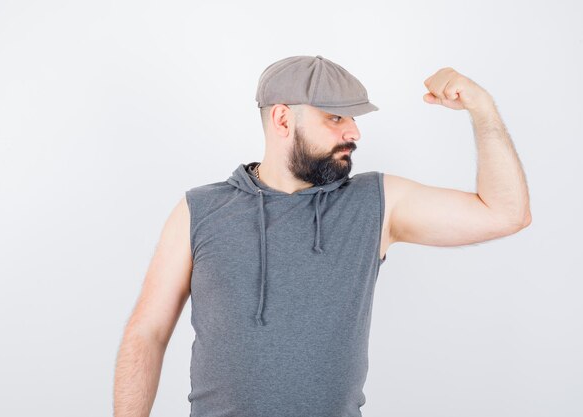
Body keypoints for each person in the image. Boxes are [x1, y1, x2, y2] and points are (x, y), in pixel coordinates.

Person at [113, 55, 532, 417]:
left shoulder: (376, 203)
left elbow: (506, 213)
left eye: (353, 118)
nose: (354, 132)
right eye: (335, 117)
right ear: (282, 119)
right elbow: (147, 332)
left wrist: (483, 109)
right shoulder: (200, 209)